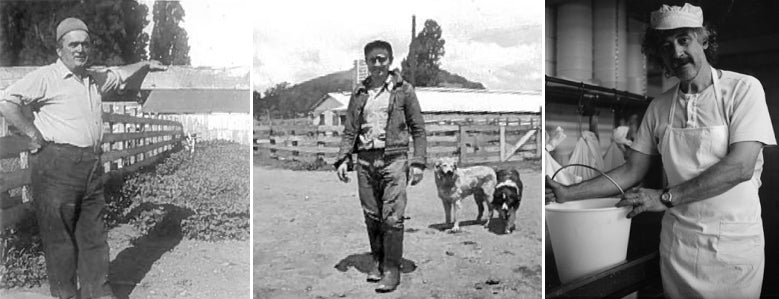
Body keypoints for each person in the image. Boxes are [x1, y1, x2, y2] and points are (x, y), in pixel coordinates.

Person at [545, 3, 775, 298]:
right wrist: (569, 193)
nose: (676, 53)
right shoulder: (659, 107)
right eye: (666, 46)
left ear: (703, 39)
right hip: (679, 247)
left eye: (684, 40)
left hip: (731, 249)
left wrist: (664, 198)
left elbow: (740, 167)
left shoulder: (743, 90)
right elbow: (631, 170)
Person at [0, 18, 165, 299]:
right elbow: (7, 101)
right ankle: (66, 295)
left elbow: (120, 74)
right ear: (59, 49)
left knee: (94, 234)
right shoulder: (46, 77)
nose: (80, 49)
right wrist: (31, 134)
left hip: (90, 165)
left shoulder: (93, 78)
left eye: (85, 44)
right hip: (56, 164)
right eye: (73, 44)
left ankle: (97, 292)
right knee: (59, 238)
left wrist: (145, 64)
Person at [334, 40, 426, 293]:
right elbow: (350, 130)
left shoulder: (403, 90)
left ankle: (392, 269)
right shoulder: (359, 93)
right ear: (366, 63)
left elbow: (418, 128)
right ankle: (377, 261)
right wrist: (343, 159)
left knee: (393, 217)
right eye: (372, 59)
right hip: (364, 161)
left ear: (390, 61)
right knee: (372, 215)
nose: (377, 64)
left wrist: (418, 162)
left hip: (394, 160)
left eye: (382, 59)